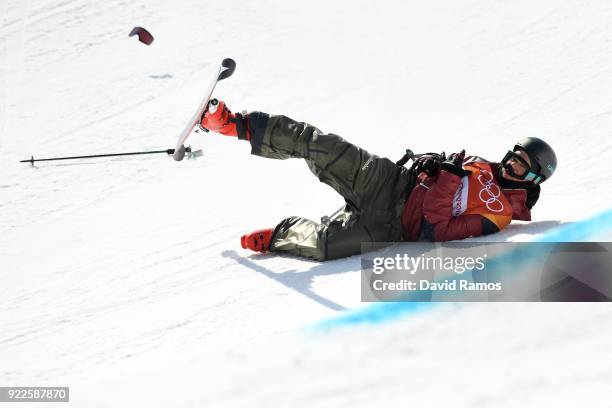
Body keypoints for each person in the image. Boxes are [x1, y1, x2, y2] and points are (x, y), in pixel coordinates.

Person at [200, 99, 557, 261]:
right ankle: (234, 124)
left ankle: (282, 235)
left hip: (391, 227)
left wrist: (447, 178)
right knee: (323, 146)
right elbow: (432, 180)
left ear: (532, 180)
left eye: (521, 167)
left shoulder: (498, 217)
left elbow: (438, 230)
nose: (511, 165)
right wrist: (435, 165)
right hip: (389, 182)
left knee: (326, 247)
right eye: (513, 156)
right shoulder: (478, 162)